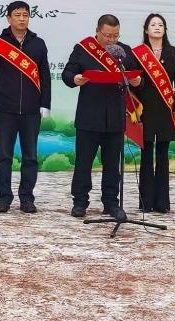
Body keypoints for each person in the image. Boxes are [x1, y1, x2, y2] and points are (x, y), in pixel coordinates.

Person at [63, 14, 141, 220]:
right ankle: (80, 202)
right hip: (89, 116)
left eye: (115, 35)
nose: (111, 40)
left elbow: (135, 75)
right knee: (84, 163)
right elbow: (67, 74)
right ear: (97, 31)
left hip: (115, 117)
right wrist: (75, 78)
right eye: (107, 35)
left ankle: (111, 203)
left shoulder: (124, 51)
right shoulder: (83, 49)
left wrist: (136, 81)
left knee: (112, 164)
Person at [0, 1, 52, 213]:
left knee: (30, 156)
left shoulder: (38, 44)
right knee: (4, 156)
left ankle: (27, 198)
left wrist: (45, 103)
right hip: (6, 109)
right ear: (9, 18)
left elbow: (45, 76)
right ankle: (4, 198)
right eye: (17, 15)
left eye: (25, 15)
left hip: (31, 110)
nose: (22, 19)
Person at [130, 13, 175, 213]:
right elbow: (133, 84)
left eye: (160, 24)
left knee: (162, 155)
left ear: (165, 29)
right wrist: (137, 83)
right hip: (145, 109)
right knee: (146, 155)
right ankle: (145, 202)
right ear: (146, 30)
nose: (157, 27)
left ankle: (162, 203)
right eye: (153, 24)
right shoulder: (137, 53)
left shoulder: (173, 52)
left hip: (166, 109)